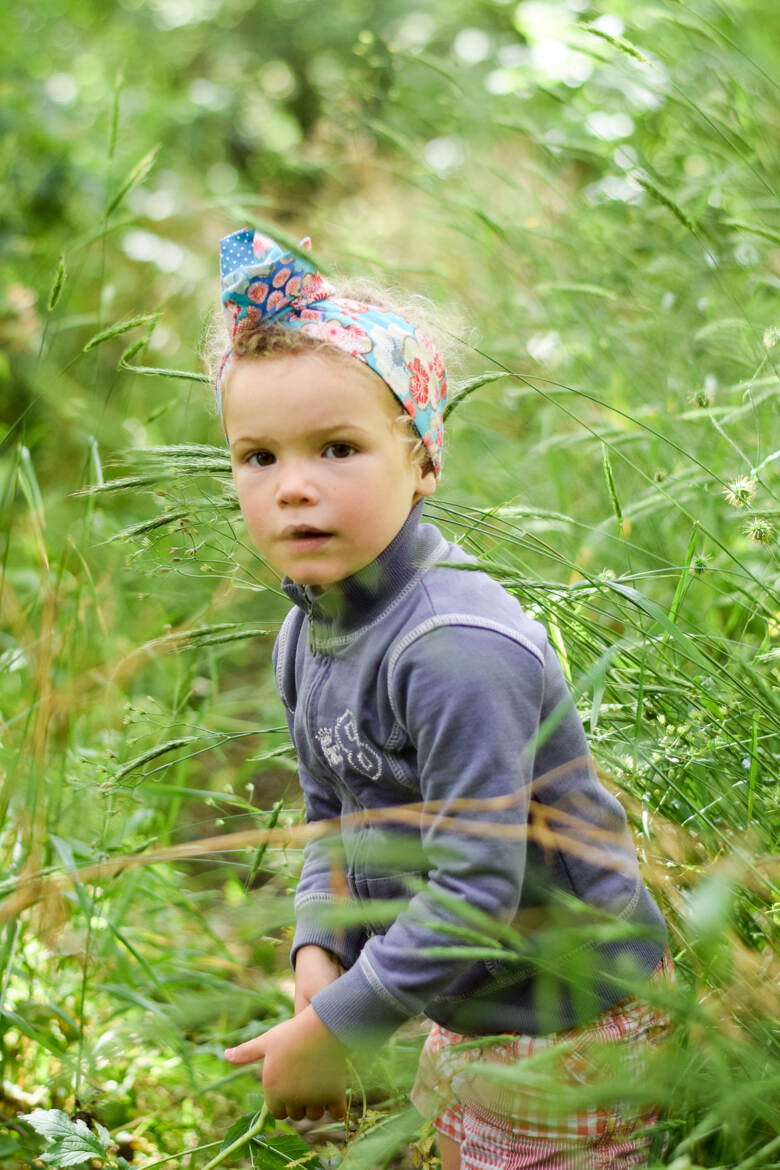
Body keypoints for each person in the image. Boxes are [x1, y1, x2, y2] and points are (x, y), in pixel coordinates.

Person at [214, 229, 674, 1169]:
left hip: (564, 1011)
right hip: (469, 999)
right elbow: (335, 821)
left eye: (336, 448)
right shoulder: (310, 631)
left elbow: (474, 889)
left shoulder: (453, 651)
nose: (293, 487)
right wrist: (319, 955)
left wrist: (341, 1027)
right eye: (258, 458)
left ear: (423, 460)